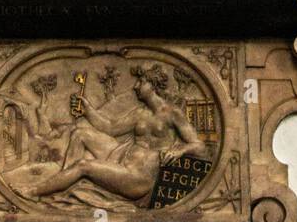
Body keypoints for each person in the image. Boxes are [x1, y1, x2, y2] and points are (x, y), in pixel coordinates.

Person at [30, 65, 205, 202]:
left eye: (140, 82)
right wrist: (88, 109)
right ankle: (65, 183)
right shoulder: (140, 113)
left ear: (152, 85)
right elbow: (111, 127)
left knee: (84, 165)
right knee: (80, 133)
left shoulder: (173, 113)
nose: (135, 87)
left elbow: (199, 146)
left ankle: (33, 191)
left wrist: (180, 151)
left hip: (138, 176)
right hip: (121, 156)